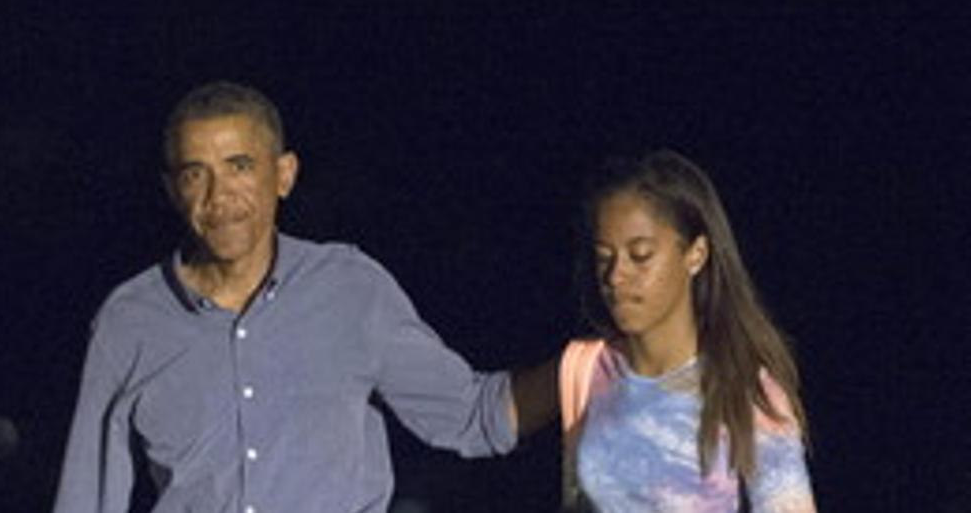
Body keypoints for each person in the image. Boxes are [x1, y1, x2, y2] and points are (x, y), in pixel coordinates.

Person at [53, 81, 558, 513]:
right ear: (172, 190)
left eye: (240, 166)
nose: (218, 196)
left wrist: (594, 363)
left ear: (285, 175)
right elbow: (86, 498)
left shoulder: (350, 289)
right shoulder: (129, 319)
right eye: (195, 174)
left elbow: (472, 417)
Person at [559, 150, 815, 512]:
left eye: (641, 255)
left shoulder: (747, 394)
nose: (616, 276)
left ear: (695, 254)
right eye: (604, 257)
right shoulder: (587, 370)